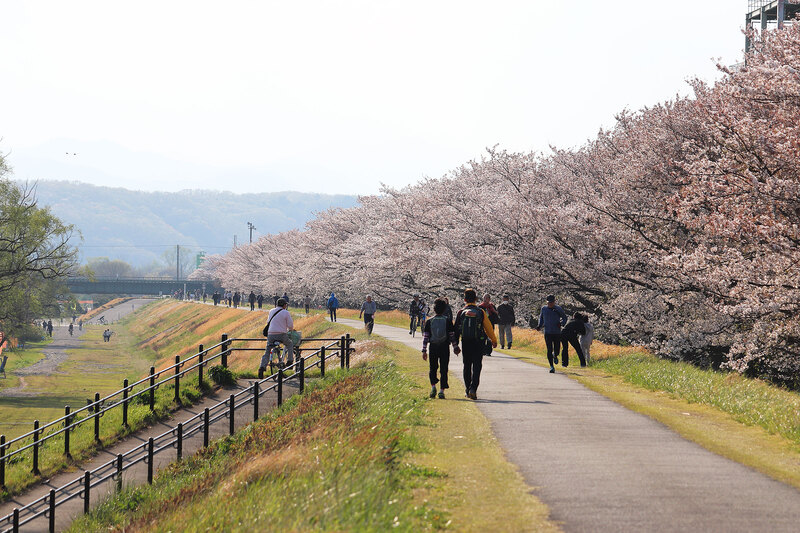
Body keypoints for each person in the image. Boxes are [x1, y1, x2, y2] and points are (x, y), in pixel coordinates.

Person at [454, 288, 497, 400]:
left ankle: (468, 389)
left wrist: (456, 345)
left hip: (466, 342)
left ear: (464, 299)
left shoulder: (460, 312)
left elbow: (456, 329)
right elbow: (488, 328)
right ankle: (473, 389)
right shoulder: (481, 312)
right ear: (476, 299)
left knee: (467, 365)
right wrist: (493, 340)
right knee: (477, 365)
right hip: (478, 342)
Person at [422, 298, 460, 399]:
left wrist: (424, 350)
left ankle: (433, 387)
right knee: (444, 369)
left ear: (434, 309)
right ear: (444, 309)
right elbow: (452, 336)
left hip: (433, 347)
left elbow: (426, 337)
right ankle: (441, 390)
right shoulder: (447, 321)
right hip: (444, 347)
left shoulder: (429, 321)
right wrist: (455, 347)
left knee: (432, 368)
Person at [259, 298, 295, 379]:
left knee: (267, 350)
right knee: (289, 344)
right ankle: (290, 361)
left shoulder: (271, 311)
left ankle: (262, 367)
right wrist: (290, 329)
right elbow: (290, 325)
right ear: (284, 305)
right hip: (281, 334)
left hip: (271, 334)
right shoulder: (286, 312)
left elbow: (268, 322)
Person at [538, 295, 567, 373]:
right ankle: (551, 366)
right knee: (549, 349)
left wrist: (561, 323)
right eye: (548, 303)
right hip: (547, 332)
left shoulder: (558, 309)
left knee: (557, 349)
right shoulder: (544, 309)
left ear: (554, 302)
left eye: (551, 302)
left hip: (557, 332)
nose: (550, 304)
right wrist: (539, 326)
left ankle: (555, 355)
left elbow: (565, 318)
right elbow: (541, 318)